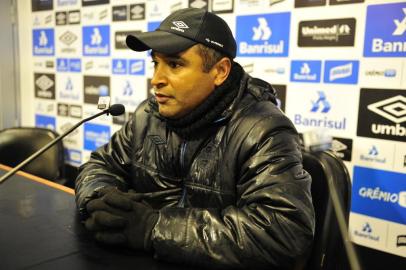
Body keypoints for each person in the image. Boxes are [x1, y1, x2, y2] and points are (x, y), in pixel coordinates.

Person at [75, 7, 315, 269]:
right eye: (156, 63)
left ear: (220, 71)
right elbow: (99, 165)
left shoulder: (263, 129)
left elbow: (283, 233)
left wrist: (155, 228)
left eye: (175, 64)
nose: (156, 80)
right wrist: (100, 198)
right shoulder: (148, 114)